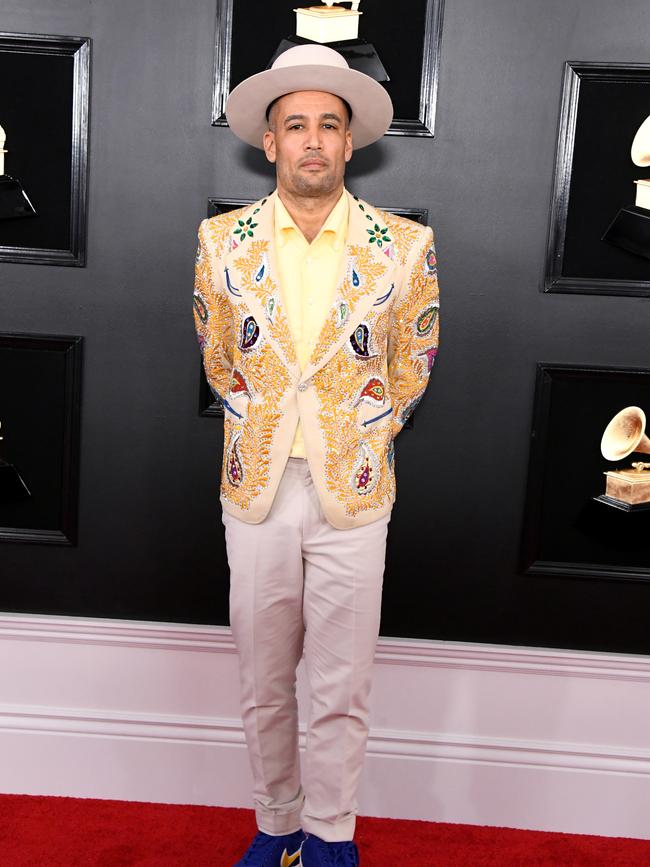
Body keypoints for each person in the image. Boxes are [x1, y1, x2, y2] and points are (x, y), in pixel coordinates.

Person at [193, 43, 440, 867]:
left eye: (327, 126)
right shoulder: (220, 240)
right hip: (255, 489)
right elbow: (218, 357)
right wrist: (271, 424)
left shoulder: (402, 246)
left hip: (355, 492)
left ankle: (332, 839)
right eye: (294, 124)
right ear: (268, 142)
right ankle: (276, 828)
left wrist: (357, 435)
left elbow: (414, 364)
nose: (311, 141)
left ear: (350, 141)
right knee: (263, 682)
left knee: (342, 684)